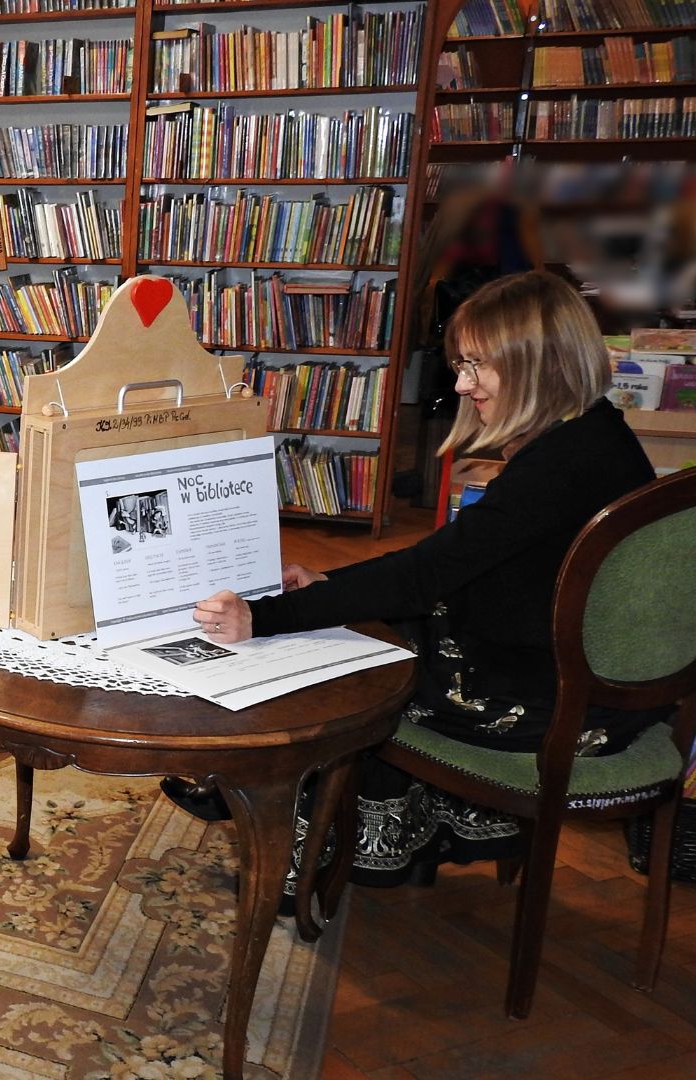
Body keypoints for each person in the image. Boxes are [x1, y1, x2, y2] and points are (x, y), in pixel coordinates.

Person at [185, 270, 658, 890]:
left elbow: (429, 573)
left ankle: (303, 855)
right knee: (362, 623)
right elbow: (461, 561)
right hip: (578, 672)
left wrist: (262, 616)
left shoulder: (560, 467)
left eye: (475, 366)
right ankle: (294, 813)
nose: (461, 384)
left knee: (343, 681)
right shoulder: (593, 434)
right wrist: (331, 577)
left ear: (535, 361)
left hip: (551, 700)